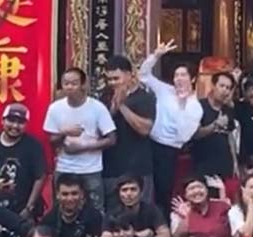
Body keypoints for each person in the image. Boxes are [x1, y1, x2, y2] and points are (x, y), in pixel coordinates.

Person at [139, 40, 204, 217]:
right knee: (144, 185)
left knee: (163, 190)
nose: (179, 79)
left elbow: (184, 135)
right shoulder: (165, 90)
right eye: (176, 75)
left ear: (192, 79)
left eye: (183, 75)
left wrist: (182, 105)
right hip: (149, 143)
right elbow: (143, 75)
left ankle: (163, 223)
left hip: (169, 149)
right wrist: (156, 55)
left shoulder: (195, 106)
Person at [43, 67, 117, 212]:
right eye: (66, 83)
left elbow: (112, 139)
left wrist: (83, 147)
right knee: (61, 211)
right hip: (64, 168)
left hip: (90, 169)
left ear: (83, 85)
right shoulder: (55, 108)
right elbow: (51, 140)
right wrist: (64, 133)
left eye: (74, 83)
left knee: (95, 211)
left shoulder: (97, 108)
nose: (69, 87)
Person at [102, 55, 156, 210]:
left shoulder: (145, 97)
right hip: (111, 170)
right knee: (113, 214)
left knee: (141, 214)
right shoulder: (104, 96)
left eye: (116, 78)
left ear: (129, 74)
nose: (113, 83)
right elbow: (100, 129)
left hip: (138, 168)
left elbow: (144, 129)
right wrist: (113, 108)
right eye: (109, 79)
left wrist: (122, 106)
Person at [0, 103, 46, 219]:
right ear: (2, 121)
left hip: (18, 211)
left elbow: (40, 177)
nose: (15, 126)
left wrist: (29, 207)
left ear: (26, 125)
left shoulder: (33, 146)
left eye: (20, 122)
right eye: (11, 120)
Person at [170, 176, 234, 237]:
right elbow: (177, 236)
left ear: (207, 190)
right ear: (186, 195)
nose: (196, 191)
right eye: (191, 189)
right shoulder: (180, 210)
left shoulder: (221, 206)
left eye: (199, 187)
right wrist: (187, 217)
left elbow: (235, 226)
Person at [190, 72, 239, 197]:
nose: (225, 91)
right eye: (222, 86)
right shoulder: (199, 107)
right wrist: (215, 125)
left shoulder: (228, 109)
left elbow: (229, 136)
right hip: (203, 165)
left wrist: (235, 162)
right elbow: (194, 134)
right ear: (213, 86)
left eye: (228, 88)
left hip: (225, 165)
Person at [39, 175, 103, 237]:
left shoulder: (94, 216)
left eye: (74, 193)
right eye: (65, 194)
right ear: (57, 195)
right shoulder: (49, 219)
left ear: (82, 194)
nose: (70, 198)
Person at [101, 175, 170, 237]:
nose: (128, 194)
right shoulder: (111, 213)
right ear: (119, 194)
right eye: (124, 190)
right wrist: (135, 236)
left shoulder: (152, 210)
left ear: (141, 193)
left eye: (133, 189)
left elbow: (166, 236)